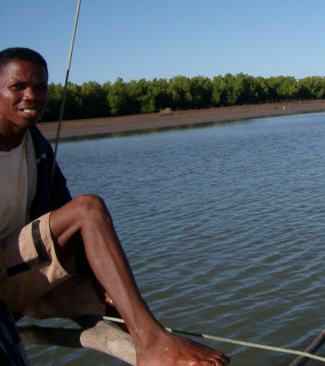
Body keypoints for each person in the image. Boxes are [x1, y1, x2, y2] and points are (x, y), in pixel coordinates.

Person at [0, 47, 230, 365]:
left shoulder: (34, 143)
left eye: (40, 87)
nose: (32, 96)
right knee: (88, 209)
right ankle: (152, 343)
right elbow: (77, 216)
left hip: (25, 272)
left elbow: (59, 209)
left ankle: (153, 342)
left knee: (111, 294)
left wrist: (100, 280)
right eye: (18, 87)